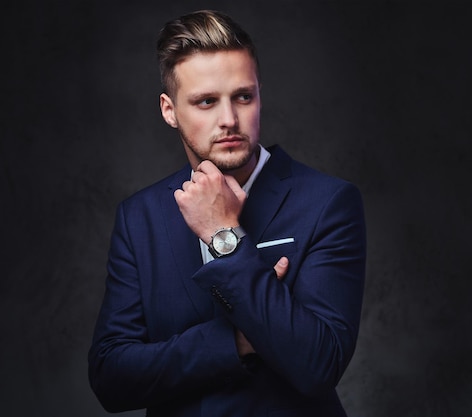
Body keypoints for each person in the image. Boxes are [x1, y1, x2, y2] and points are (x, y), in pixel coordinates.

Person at [88, 9, 366, 417]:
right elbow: (111, 379)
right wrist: (235, 341)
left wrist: (224, 232)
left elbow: (318, 364)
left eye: (243, 96)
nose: (229, 120)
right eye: (205, 102)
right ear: (169, 110)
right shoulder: (139, 217)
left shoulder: (328, 203)